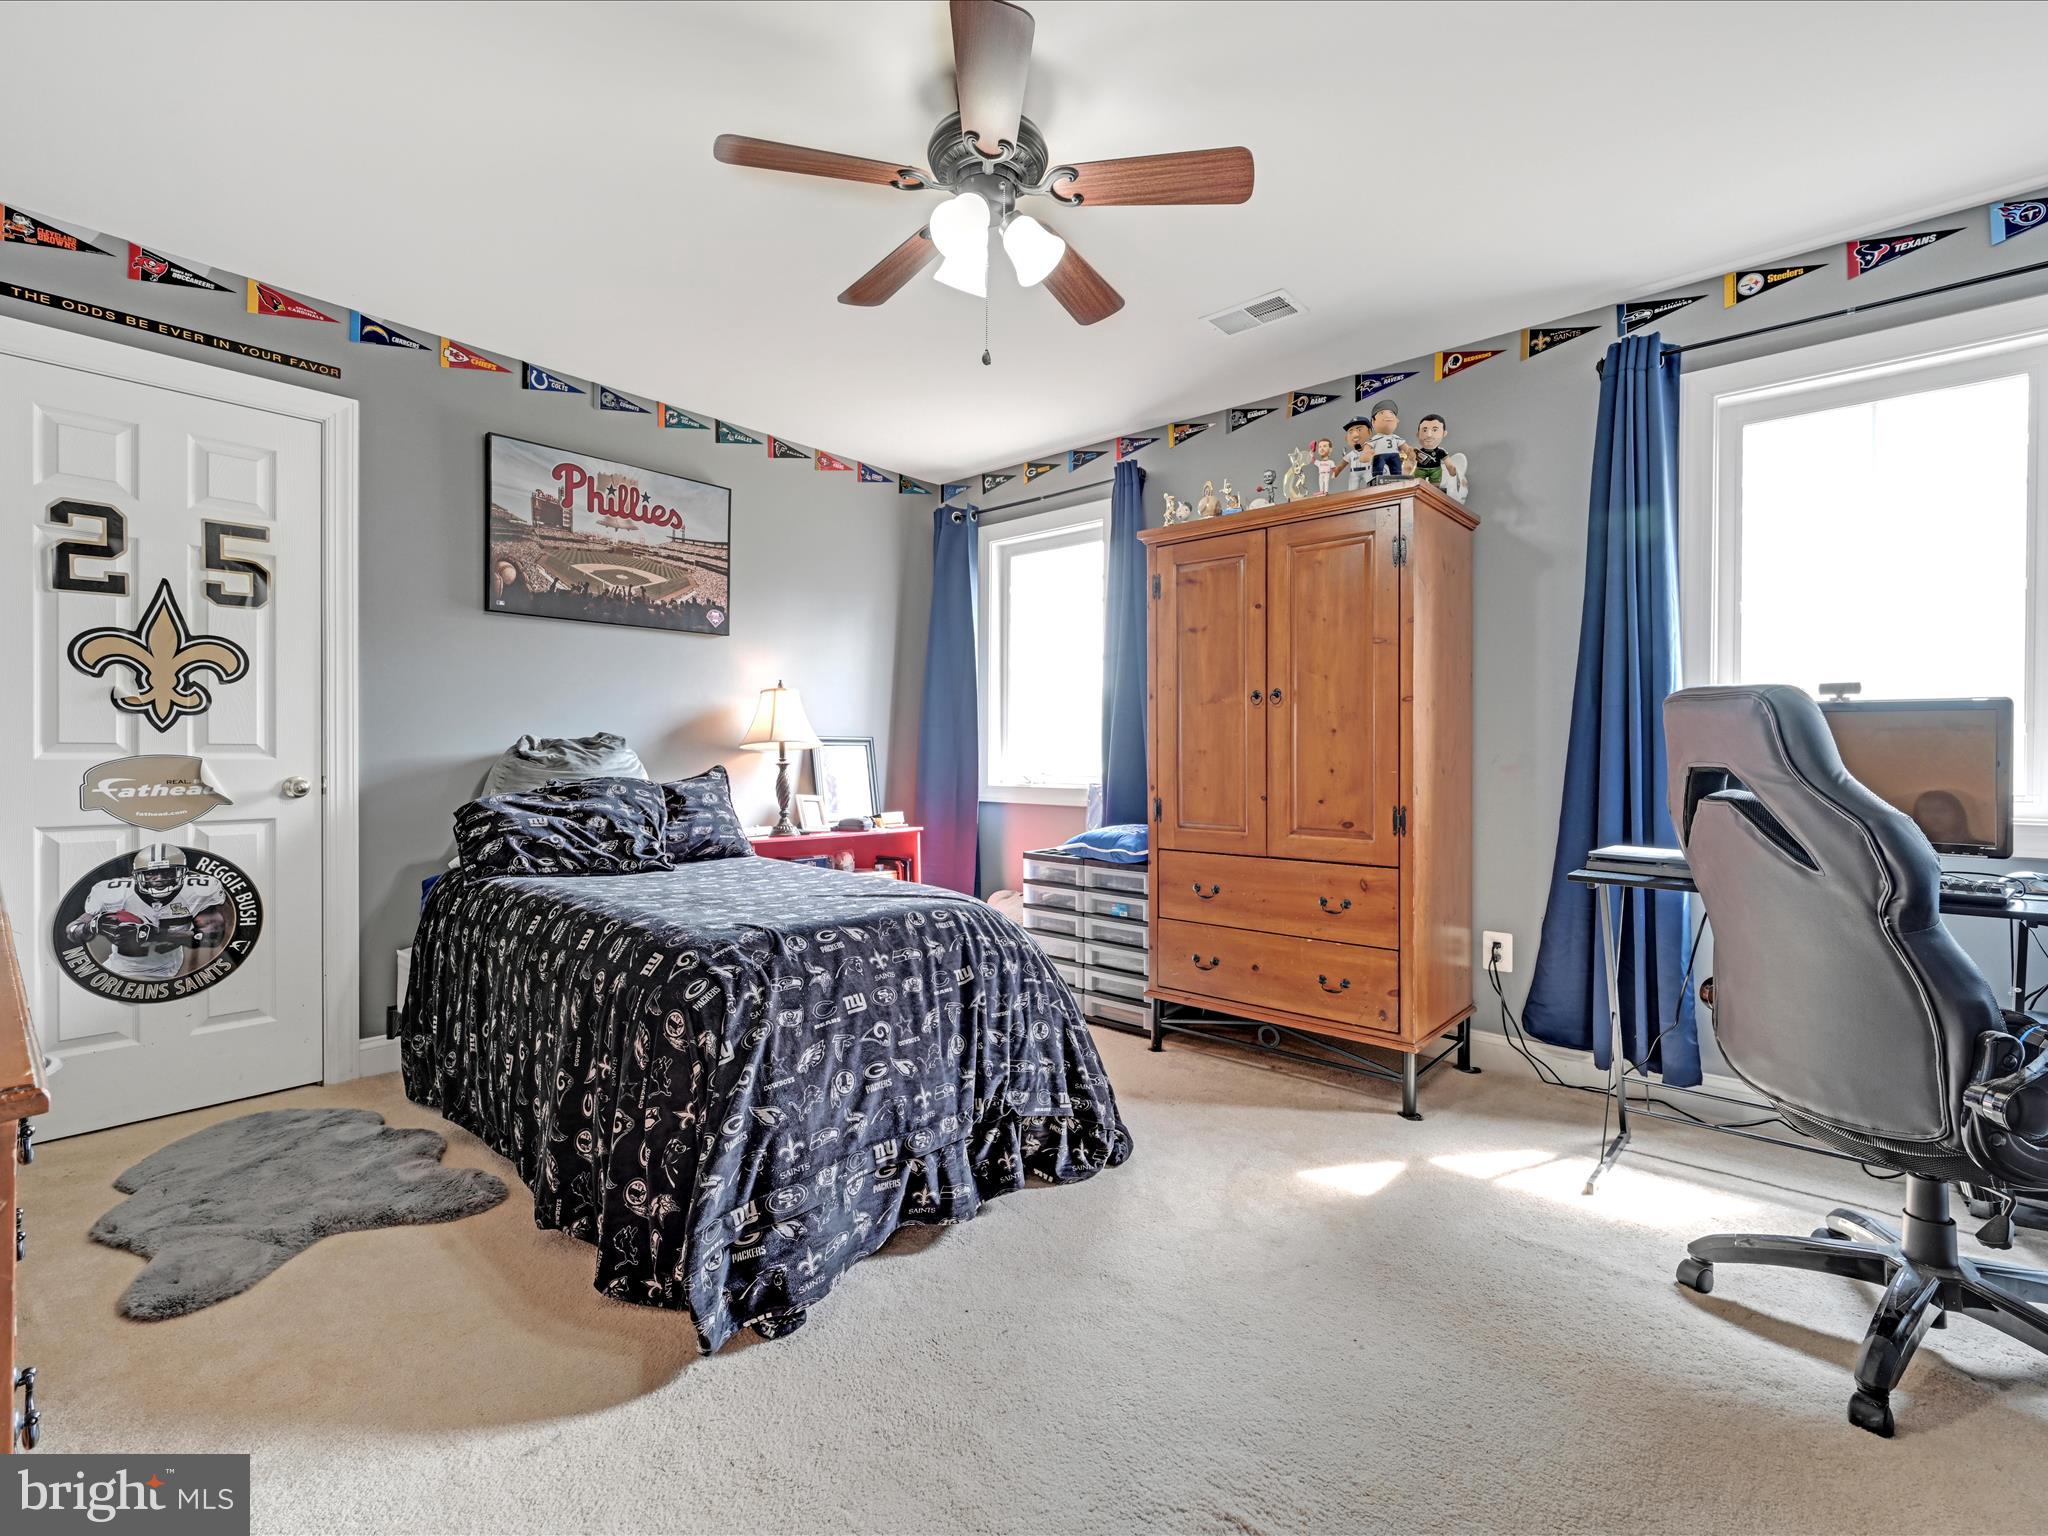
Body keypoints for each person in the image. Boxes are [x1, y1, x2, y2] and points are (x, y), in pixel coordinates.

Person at [65, 844, 227, 982]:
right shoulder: (113, 892)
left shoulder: (198, 891)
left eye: (167, 872)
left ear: (182, 873)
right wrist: (92, 926)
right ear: (137, 876)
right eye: (150, 873)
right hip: (118, 967)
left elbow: (211, 937)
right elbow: (72, 930)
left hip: (166, 971)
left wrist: (154, 934)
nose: (159, 878)